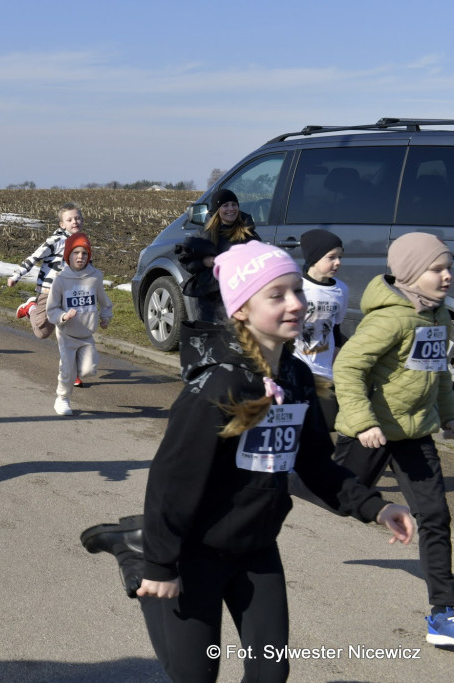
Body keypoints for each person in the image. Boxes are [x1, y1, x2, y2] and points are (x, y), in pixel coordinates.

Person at [81, 241, 415, 681]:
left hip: (257, 549)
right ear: (241, 309)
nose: (296, 303)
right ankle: (139, 557)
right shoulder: (219, 386)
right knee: (196, 674)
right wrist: (162, 565)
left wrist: (376, 506)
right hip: (194, 553)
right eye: (276, 295)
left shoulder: (295, 377)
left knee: (270, 674)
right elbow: (173, 478)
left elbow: (315, 463)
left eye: (297, 290)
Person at [327, 232, 454, 647]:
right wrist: (363, 423)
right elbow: (346, 367)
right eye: (437, 269)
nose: (447, 276)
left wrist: (449, 417)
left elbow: (439, 376)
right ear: (413, 274)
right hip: (372, 433)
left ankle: (443, 612)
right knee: (335, 493)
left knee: (435, 516)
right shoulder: (391, 318)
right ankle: (284, 476)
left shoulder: (439, 316)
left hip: (414, 433)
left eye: (448, 267)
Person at [45, 233, 112, 416]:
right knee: (68, 370)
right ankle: (62, 399)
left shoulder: (95, 277)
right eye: (76, 253)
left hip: (86, 334)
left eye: (84, 253)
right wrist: (64, 316)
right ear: (68, 255)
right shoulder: (60, 279)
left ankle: (74, 371)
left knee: (89, 370)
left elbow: (104, 301)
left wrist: (106, 317)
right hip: (66, 333)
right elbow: (52, 309)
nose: (80, 257)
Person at [176, 188, 261, 323]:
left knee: (236, 339)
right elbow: (186, 261)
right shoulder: (204, 234)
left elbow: (260, 260)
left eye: (234, 205)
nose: (231, 209)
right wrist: (205, 262)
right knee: (211, 338)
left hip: (238, 296)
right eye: (225, 205)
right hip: (209, 298)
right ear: (217, 210)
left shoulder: (248, 234)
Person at [293, 229, 348, 428]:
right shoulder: (297, 287)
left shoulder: (340, 289)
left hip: (324, 372)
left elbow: (336, 329)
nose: (338, 262)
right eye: (331, 257)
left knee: (328, 425)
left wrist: (337, 363)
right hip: (297, 369)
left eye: (340, 257)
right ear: (314, 258)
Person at [7, 202, 83, 340]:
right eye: (70, 220)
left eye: (77, 218)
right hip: (50, 289)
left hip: (70, 290)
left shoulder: (82, 241)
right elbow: (34, 257)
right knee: (42, 332)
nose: (74, 222)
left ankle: (72, 357)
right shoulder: (56, 241)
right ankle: (30, 307)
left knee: (72, 325)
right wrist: (16, 275)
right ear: (62, 224)